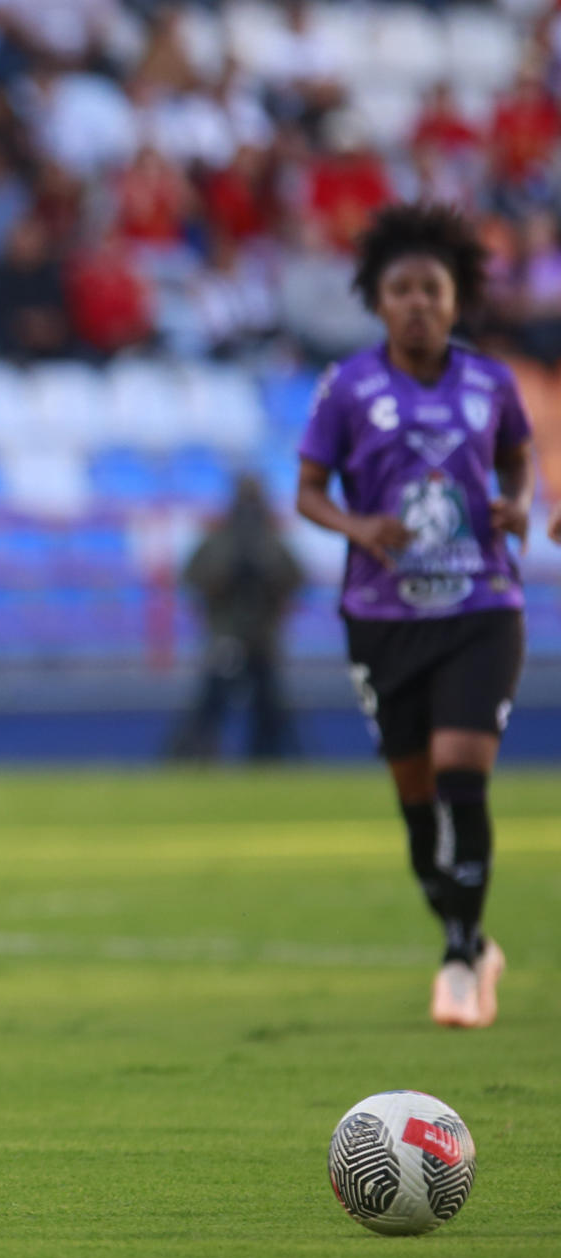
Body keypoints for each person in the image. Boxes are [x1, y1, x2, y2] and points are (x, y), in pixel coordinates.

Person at [294, 203, 532, 1030]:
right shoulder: (348, 388)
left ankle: (461, 958)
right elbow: (309, 492)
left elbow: (518, 458)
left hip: (481, 605)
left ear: (456, 297)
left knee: (464, 779)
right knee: (417, 805)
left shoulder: (490, 383)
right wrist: (359, 526)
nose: (419, 303)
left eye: (433, 288)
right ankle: (469, 934)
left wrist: (521, 502)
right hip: (382, 615)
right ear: (378, 300)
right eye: (402, 290)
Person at [167, 474, 303, 761]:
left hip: (262, 638)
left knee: (268, 708)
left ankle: (268, 757)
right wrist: (226, 575)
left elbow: (294, 579)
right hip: (226, 633)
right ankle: (195, 753)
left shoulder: (270, 541)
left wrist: (265, 573)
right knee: (212, 704)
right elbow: (195, 578)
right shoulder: (220, 540)